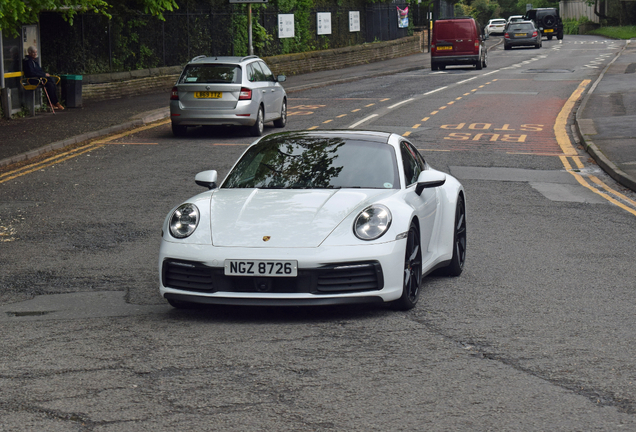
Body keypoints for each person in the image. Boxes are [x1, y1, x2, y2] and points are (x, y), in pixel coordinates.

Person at [22, 46, 64, 110]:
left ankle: (52, 102)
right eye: (33, 52)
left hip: (38, 78)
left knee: (52, 82)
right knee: (50, 83)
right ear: (29, 52)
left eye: (36, 52)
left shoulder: (34, 61)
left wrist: (44, 74)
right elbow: (31, 73)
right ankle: (54, 102)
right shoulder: (28, 61)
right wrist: (43, 75)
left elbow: (39, 70)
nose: (35, 54)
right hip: (33, 79)